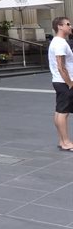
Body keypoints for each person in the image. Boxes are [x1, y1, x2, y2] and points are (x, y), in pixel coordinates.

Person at [48, 16, 73, 151]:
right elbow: (61, 66)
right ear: (60, 26)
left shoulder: (58, 41)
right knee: (63, 112)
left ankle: (61, 140)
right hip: (64, 82)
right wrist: (70, 83)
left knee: (60, 111)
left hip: (59, 81)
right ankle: (66, 142)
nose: (70, 26)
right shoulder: (60, 43)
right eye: (67, 24)